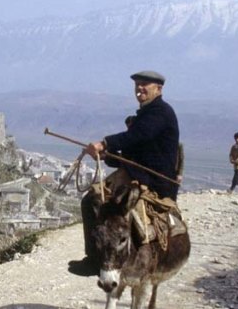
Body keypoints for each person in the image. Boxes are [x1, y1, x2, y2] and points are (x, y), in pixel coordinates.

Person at [69, 70, 180, 276]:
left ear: (159, 89)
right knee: (92, 199)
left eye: (145, 84)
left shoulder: (160, 113)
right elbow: (133, 152)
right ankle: (96, 258)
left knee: (93, 201)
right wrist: (107, 156)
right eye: (137, 84)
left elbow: (139, 135)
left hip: (153, 180)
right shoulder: (146, 114)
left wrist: (105, 144)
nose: (139, 88)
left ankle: (95, 260)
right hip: (137, 173)